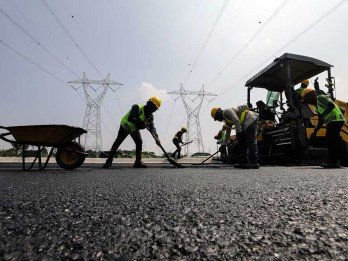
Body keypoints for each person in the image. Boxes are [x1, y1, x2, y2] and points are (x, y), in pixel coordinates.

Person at [103, 97, 161, 169]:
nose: (154, 110)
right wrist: (142, 123)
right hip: (126, 126)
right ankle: (108, 161)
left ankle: (138, 162)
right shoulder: (137, 107)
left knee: (139, 142)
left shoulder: (150, 116)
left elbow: (152, 128)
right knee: (118, 142)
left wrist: (157, 138)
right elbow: (131, 117)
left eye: (155, 109)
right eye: (154, 108)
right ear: (149, 104)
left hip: (134, 129)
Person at [301, 88, 345, 168]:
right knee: (335, 139)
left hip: (335, 120)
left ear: (311, 94)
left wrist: (323, 114)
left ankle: (333, 161)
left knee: (331, 139)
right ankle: (340, 160)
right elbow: (320, 120)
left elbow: (331, 105)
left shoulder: (320, 98)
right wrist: (315, 131)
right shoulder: (316, 107)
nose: (307, 102)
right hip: (334, 121)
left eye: (307, 99)